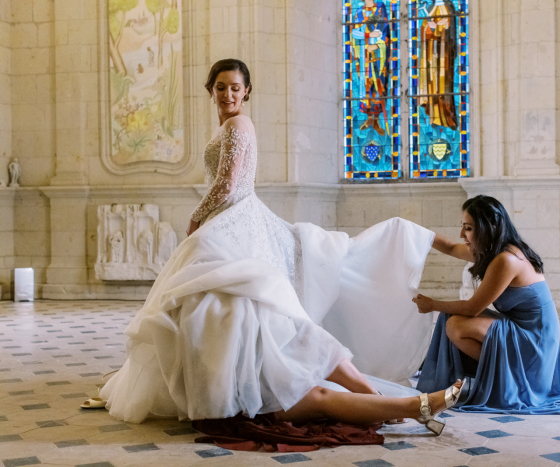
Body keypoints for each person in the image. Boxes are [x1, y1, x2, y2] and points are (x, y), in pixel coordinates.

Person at [100, 58, 461, 438]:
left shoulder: (239, 124)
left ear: (247, 91)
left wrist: (194, 221)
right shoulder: (229, 126)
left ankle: (394, 403)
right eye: (220, 87)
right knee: (250, 309)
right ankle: (395, 404)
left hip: (233, 218)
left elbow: (229, 185)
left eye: (235, 87)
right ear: (211, 90)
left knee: (261, 308)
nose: (227, 94)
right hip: (232, 230)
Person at [413, 195, 560, 414]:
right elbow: (451, 248)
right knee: (451, 318)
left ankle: (508, 377)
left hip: (535, 340)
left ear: (489, 227)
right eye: (463, 227)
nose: (462, 234)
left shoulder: (506, 259)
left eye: (468, 228)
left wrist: (432, 304)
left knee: (456, 325)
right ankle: (496, 372)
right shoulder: (494, 251)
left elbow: (472, 308)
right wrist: (416, 233)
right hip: (522, 329)